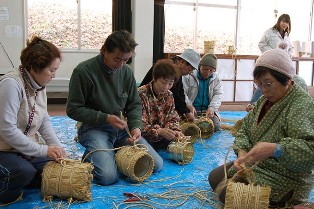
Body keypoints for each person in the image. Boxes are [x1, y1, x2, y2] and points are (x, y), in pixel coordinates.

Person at [208, 48, 314, 207]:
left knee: (226, 194)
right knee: (214, 178)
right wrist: (242, 153)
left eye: (268, 84)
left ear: (285, 79)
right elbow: (244, 130)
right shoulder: (264, 102)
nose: (263, 90)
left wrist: (276, 149)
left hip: (285, 175)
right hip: (257, 165)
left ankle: (286, 200)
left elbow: (310, 152)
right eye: (259, 84)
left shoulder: (301, 105)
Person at [66, 30, 163, 186]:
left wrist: (136, 127)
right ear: (104, 51)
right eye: (117, 59)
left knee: (155, 164)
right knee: (108, 177)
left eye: (126, 60)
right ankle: (97, 153)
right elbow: (73, 109)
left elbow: (134, 104)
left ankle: (107, 152)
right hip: (93, 128)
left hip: (119, 128)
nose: (121, 64)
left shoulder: (126, 72)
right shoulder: (83, 71)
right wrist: (105, 118)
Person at [0, 36, 66, 206]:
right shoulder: (11, 84)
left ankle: (19, 177)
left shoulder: (38, 84)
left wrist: (57, 148)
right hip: (4, 148)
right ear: (35, 67)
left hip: (22, 149)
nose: (54, 75)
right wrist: (42, 150)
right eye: (51, 70)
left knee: (53, 168)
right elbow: (7, 130)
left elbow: (43, 119)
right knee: (24, 172)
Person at [140, 49, 201, 122]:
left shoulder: (177, 70)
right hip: (147, 104)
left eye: (170, 84)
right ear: (182, 62)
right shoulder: (170, 68)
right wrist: (186, 112)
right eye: (190, 68)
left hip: (160, 103)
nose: (190, 72)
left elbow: (180, 91)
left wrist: (188, 106)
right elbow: (175, 95)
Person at [138, 59, 183, 149]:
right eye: (163, 82)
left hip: (162, 138)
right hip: (144, 138)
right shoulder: (141, 94)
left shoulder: (169, 95)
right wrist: (159, 131)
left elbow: (172, 117)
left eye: (170, 84)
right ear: (154, 78)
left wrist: (175, 130)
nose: (166, 87)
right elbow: (139, 124)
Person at [182, 53, 223, 132]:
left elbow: (218, 94)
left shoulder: (216, 78)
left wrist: (212, 108)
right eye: (205, 69)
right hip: (191, 110)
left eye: (211, 70)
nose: (207, 72)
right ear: (199, 66)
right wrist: (189, 105)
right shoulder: (189, 75)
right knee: (189, 128)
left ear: (214, 70)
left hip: (207, 111)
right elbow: (182, 93)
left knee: (215, 127)